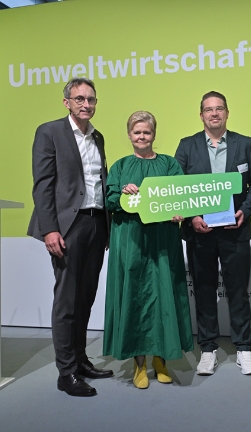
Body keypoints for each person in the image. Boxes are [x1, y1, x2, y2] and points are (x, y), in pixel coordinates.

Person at [28, 78, 113, 397]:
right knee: (67, 300)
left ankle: (80, 360)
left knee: (86, 297)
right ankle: (66, 373)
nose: (86, 104)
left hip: (96, 223)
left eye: (91, 99)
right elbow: (43, 184)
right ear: (67, 102)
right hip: (67, 226)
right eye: (79, 99)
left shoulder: (97, 136)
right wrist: (49, 228)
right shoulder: (50, 132)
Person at [103, 111, 194, 389]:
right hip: (131, 242)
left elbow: (181, 196)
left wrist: (180, 212)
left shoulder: (169, 164)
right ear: (129, 135)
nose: (142, 136)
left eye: (147, 132)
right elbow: (110, 200)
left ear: (154, 134)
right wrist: (123, 194)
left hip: (163, 240)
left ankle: (161, 361)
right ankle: (139, 364)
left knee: (164, 295)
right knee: (135, 296)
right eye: (137, 132)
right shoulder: (120, 166)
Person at [174, 91, 251, 376]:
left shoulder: (244, 144)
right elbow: (177, 188)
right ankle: (208, 348)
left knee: (238, 291)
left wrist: (244, 211)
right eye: (209, 109)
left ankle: (244, 348)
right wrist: (192, 216)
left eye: (219, 108)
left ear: (227, 113)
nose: (214, 113)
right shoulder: (186, 146)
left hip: (235, 231)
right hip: (200, 233)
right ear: (201, 115)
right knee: (204, 291)